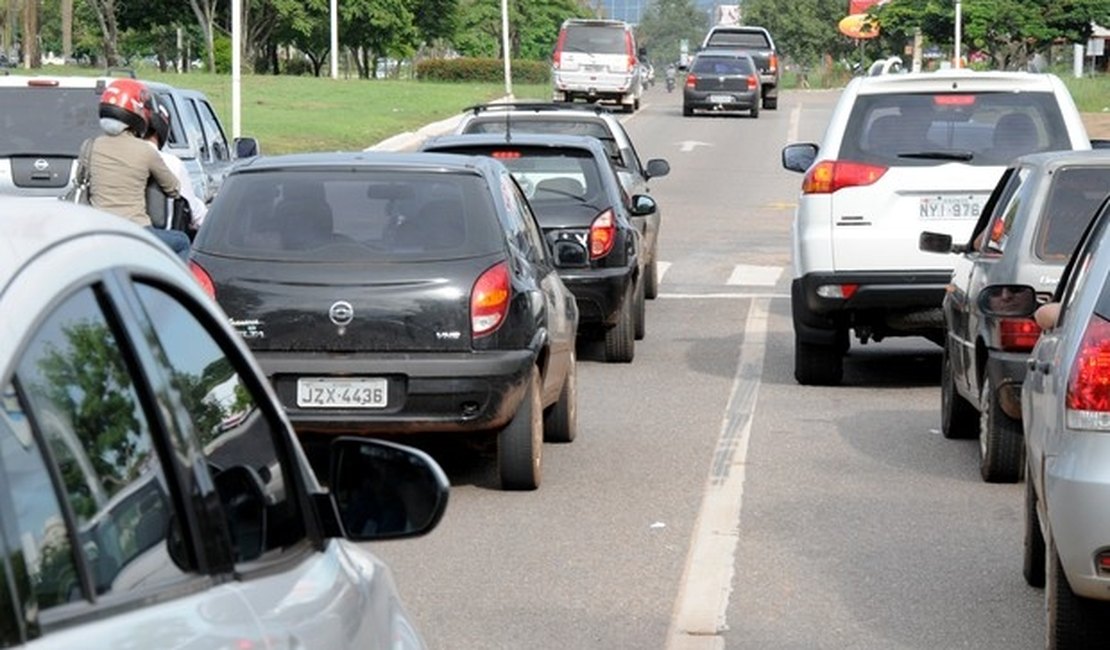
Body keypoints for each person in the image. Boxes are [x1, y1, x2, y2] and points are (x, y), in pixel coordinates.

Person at [81, 78, 187, 261]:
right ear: (137, 112)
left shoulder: (90, 146)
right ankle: (177, 289)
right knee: (182, 242)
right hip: (136, 232)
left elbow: (83, 179)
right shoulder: (145, 151)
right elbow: (174, 189)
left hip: (98, 231)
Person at [144, 96, 207, 236]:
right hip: (156, 241)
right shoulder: (170, 163)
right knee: (183, 242)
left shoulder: (107, 156)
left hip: (112, 239)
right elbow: (193, 212)